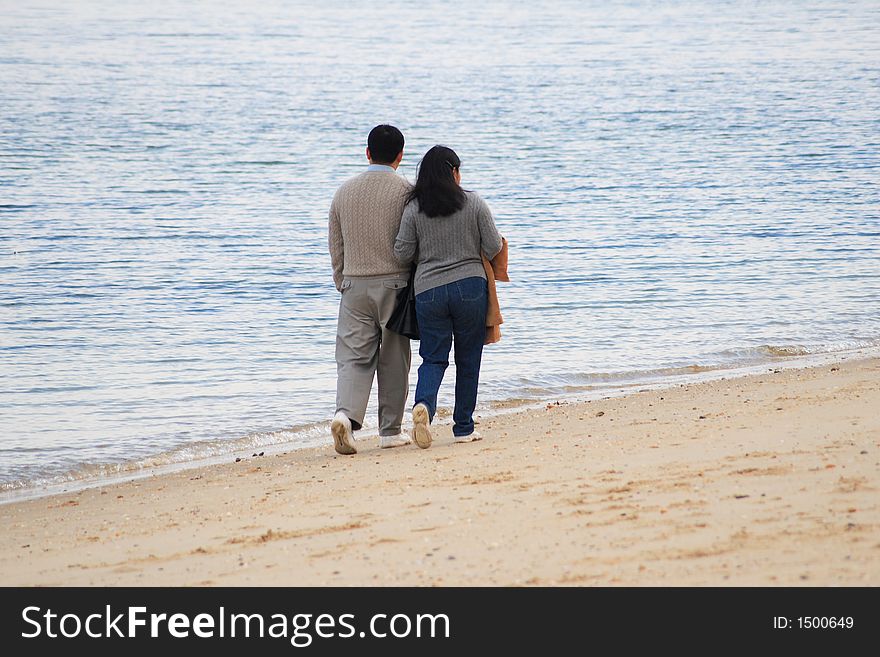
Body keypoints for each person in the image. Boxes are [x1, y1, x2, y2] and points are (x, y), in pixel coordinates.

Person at [394, 145, 503, 448]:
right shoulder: (475, 203)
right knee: (468, 359)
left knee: (433, 357)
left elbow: (401, 252)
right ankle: (464, 427)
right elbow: (494, 246)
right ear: (454, 172)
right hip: (470, 287)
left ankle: (424, 407)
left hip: (428, 290)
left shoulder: (413, 209)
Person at [328, 125, 413, 455]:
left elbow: (336, 244)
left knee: (352, 358)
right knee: (394, 358)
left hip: (353, 285)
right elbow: (413, 241)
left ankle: (345, 417)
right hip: (395, 283)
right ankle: (390, 430)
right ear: (400, 156)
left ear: (367, 153)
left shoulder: (344, 192)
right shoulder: (407, 191)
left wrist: (342, 281)